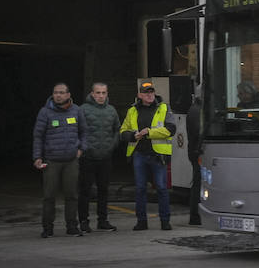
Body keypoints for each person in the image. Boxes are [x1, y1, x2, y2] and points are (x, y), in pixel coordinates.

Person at [120, 79, 177, 231]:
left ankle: (165, 221)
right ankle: (141, 221)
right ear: (139, 95)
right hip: (139, 154)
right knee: (140, 189)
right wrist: (132, 136)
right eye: (146, 93)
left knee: (161, 188)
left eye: (151, 92)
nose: (149, 95)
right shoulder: (132, 111)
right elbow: (123, 131)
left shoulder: (164, 108)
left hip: (158, 156)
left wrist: (149, 132)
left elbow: (171, 129)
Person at [32, 82, 86, 238]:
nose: (58, 95)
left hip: (71, 161)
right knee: (49, 196)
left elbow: (84, 132)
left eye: (62, 92)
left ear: (68, 95)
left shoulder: (76, 111)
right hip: (51, 161)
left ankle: (72, 226)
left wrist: (81, 149)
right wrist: (37, 156)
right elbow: (38, 136)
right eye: (56, 92)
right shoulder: (45, 112)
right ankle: (47, 228)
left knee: (72, 195)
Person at [77, 81, 119, 233]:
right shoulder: (82, 110)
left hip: (105, 157)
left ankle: (103, 221)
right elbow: (77, 131)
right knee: (85, 191)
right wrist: (83, 148)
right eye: (98, 93)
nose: (101, 96)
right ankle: (83, 221)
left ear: (107, 94)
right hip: (87, 157)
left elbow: (117, 130)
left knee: (103, 190)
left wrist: (111, 146)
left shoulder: (112, 110)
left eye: (104, 93)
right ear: (92, 93)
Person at [186, 81, 203, 226]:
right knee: (198, 183)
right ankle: (195, 215)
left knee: (197, 182)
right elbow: (199, 132)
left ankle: (195, 215)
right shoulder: (197, 111)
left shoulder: (194, 109)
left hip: (194, 150)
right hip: (198, 151)